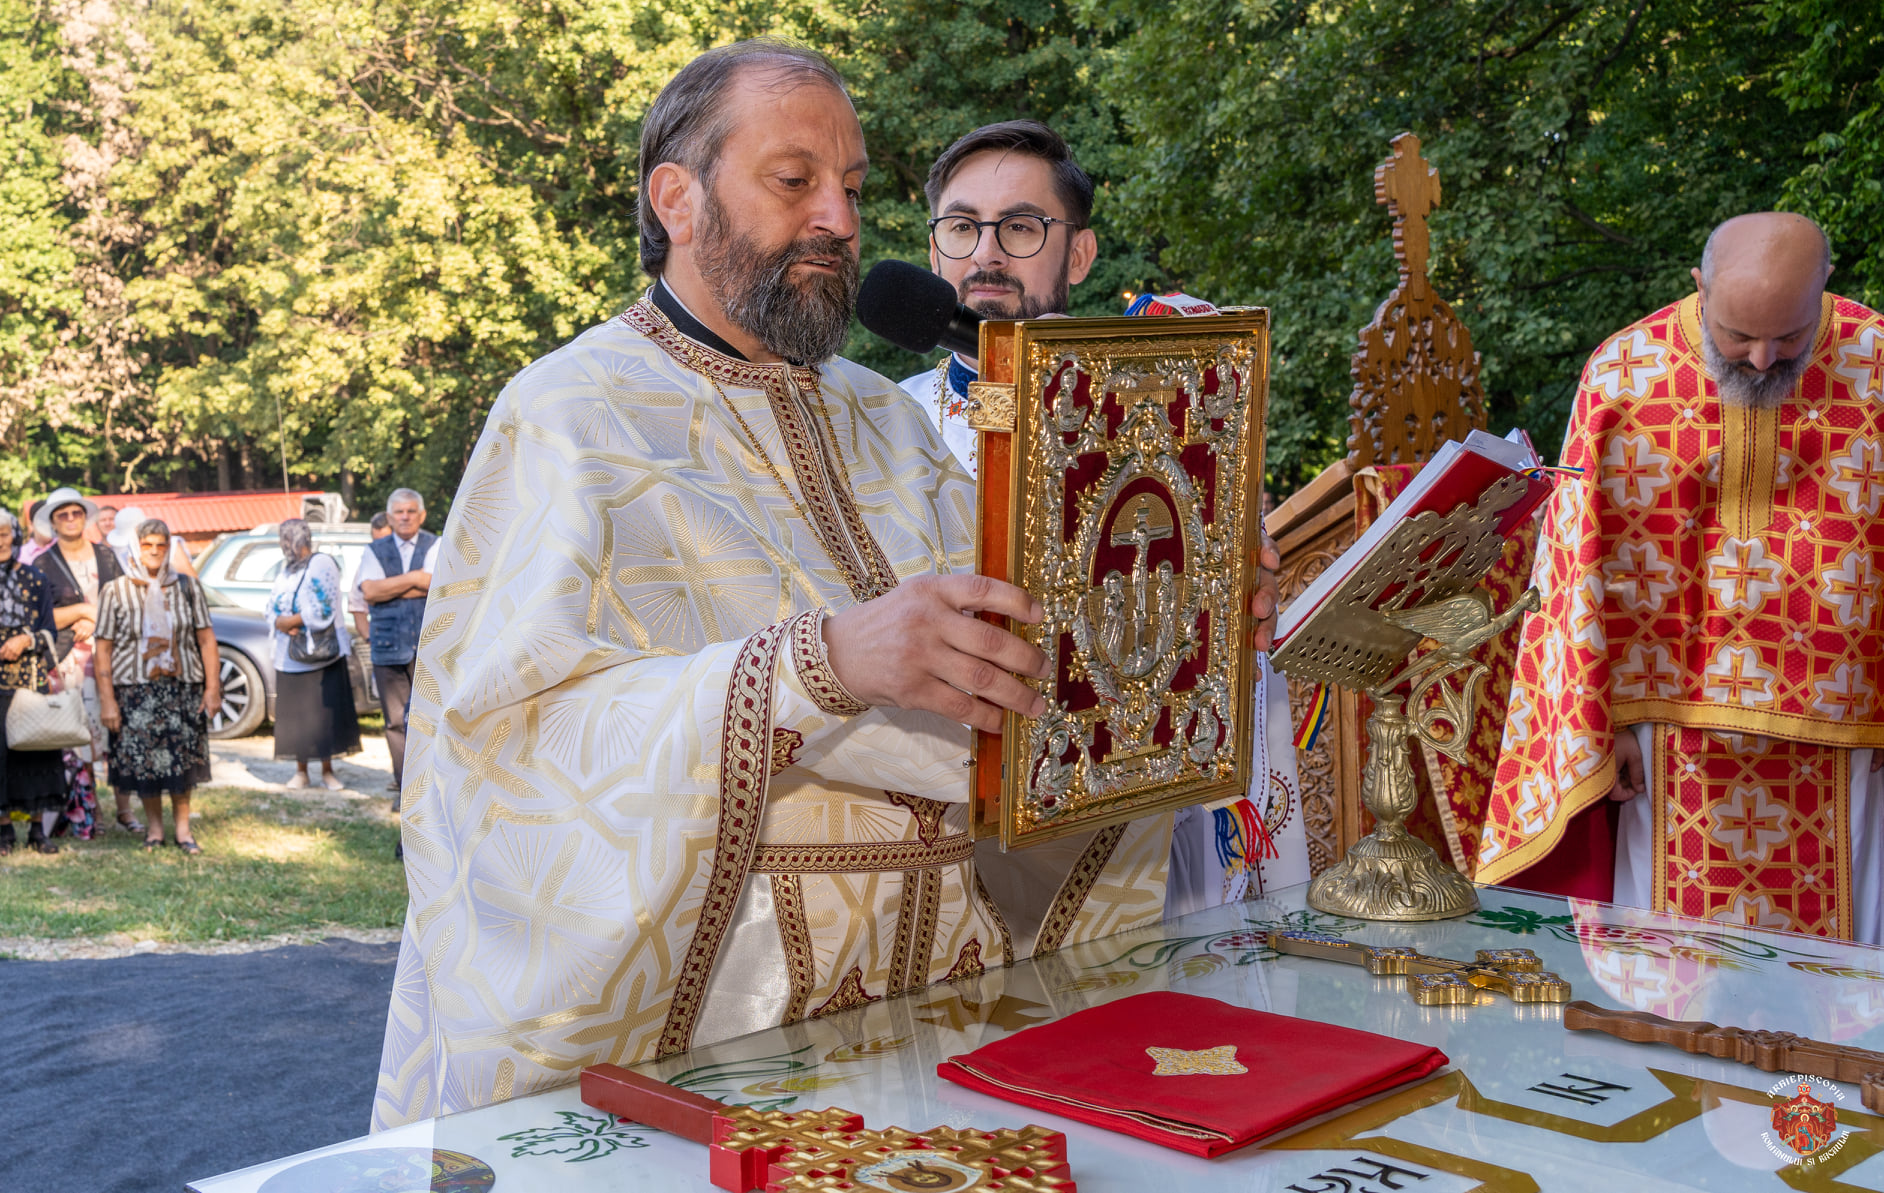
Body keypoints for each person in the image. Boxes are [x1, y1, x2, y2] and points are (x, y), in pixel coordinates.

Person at [900, 121, 1300, 943]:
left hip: (1138, 820)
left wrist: (1236, 591)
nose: (986, 255)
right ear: (934, 248)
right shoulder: (880, 426)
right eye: (962, 227)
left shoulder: (1171, 409)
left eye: (1020, 227)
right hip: (945, 828)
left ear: (1077, 255)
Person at [1481, 212, 1884, 944]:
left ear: (1826, 283)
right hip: (1667, 739)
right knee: (1674, 970)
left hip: (1846, 734)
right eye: (1737, 335)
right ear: (1699, 285)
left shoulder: (1877, 362)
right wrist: (1603, 723)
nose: (1761, 360)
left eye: (1790, 337)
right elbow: (1575, 571)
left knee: (1840, 971)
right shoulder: (1624, 373)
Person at [93, 519, 219, 853]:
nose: (154, 551)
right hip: (135, 690)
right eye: (146, 544)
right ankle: (154, 829)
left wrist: (213, 688)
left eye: (160, 545)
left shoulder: (187, 587)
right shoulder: (115, 591)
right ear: (135, 548)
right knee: (145, 763)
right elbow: (102, 648)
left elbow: (206, 639)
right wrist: (107, 700)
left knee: (182, 760)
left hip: (182, 687)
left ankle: (183, 830)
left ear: (169, 548)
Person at [33, 487, 141, 836]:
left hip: (111, 656)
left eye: (76, 513)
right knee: (75, 738)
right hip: (66, 662)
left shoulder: (106, 556)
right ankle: (86, 813)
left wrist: (95, 621)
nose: (70, 519)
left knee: (115, 732)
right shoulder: (42, 564)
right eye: (62, 515)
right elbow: (39, 618)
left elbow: (125, 602)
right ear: (52, 522)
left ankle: (125, 810)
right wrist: (80, 610)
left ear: (84, 517)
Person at [351, 490, 434, 807]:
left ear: (421, 515)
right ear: (389, 517)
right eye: (399, 512)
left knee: (429, 720)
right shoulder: (373, 550)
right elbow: (370, 592)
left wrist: (392, 587)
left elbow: (437, 585)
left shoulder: (436, 544)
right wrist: (415, 579)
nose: (405, 516)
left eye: (411, 511)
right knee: (396, 722)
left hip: (428, 647)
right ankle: (406, 791)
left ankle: (431, 790)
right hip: (387, 647)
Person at [265, 519, 359, 790]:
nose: (284, 545)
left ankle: (328, 771)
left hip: (321, 653)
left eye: (287, 540)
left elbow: (324, 607)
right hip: (290, 655)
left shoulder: (321, 563)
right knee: (297, 717)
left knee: (323, 715)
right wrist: (279, 622)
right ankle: (301, 770)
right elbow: (272, 604)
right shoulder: (286, 570)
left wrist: (292, 621)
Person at [0, 512, 69, 854]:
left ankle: (38, 831)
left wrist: (26, 640)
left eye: (4, 534)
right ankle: (4, 831)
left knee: (36, 752)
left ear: (14, 536)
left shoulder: (35, 578)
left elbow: (50, 632)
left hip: (29, 680)